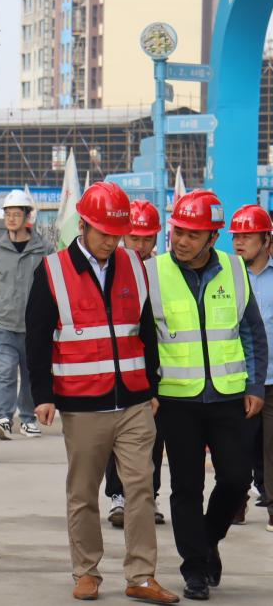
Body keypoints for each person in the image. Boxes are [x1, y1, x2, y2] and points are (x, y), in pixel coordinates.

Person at [25, 182, 178, 604]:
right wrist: (42, 394)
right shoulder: (53, 270)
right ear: (85, 225)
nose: (112, 242)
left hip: (133, 401)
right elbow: (37, 338)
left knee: (140, 487)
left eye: (118, 234)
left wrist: (151, 385)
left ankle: (141, 575)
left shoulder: (134, 265)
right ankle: (87, 571)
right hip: (82, 403)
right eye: (105, 233)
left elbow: (145, 330)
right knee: (83, 492)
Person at [146, 190, 267, 601]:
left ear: (212, 237)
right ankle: (195, 569)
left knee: (236, 478)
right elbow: (143, 339)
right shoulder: (153, 273)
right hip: (176, 399)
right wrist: (148, 390)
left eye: (192, 234)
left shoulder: (234, 270)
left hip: (228, 396)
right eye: (177, 231)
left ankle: (208, 538)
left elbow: (252, 333)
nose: (181, 240)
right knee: (186, 487)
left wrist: (255, 386)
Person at [106, 199, 168, 528]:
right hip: (117, 365)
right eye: (134, 238)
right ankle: (118, 496)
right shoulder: (109, 269)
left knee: (151, 438)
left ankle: (149, 496)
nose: (140, 246)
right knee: (113, 436)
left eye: (147, 239)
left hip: (154, 368)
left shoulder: (163, 273)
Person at [0, 189, 50, 440]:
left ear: (27, 216)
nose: (11, 219)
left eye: (16, 214)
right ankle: (3, 417)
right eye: (8, 214)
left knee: (31, 374)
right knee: (5, 370)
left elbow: (52, 288)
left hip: (35, 327)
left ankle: (28, 418)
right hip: (4, 324)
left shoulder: (44, 250)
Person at [229, 204, 272, 529]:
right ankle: (235, 503)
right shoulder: (227, 276)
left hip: (272, 380)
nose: (240, 242)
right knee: (236, 448)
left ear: (267, 239)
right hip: (237, 380)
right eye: (236, 237)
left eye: (248, 236)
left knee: (271, 450)